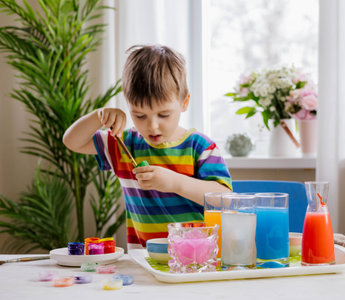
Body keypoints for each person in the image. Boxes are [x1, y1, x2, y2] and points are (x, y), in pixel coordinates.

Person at [63, 45, 232, 250]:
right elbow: (72, 141)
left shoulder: (200, 146)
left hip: (194, 259)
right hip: (144, 259)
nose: (152, 126)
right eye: (140, 115)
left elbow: (225, 199)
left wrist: (175, 182)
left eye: (164, 115)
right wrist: (99, 116)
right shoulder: (124, 143)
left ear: (184, 102)